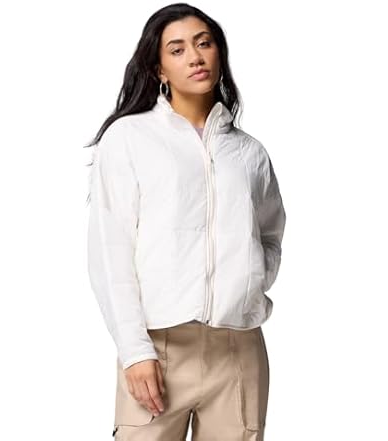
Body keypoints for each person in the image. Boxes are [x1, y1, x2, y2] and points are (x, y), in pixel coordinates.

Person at [84, 3, 286, 440]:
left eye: (204, 43)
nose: (195, 57)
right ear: (159, 68)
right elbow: (110, 251)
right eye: (177, 50)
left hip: (238, 349)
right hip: (159, 346)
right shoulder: (130, 138)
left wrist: (249, 284)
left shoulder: (249, 153)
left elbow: (270, 234)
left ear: (219, 53)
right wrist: (134, 351)